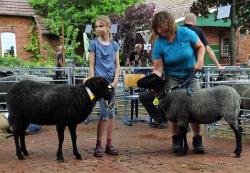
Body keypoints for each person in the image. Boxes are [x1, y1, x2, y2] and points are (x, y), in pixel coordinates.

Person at [139, 11, 206, 153]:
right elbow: (158, 68)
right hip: (172, 78)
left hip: (191, 75)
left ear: (169, 24)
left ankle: (197, 139)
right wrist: (153, 82)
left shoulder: (186, 33)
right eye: (157, 27)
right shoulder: (159, 43)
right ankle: (177, 140)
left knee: (195, 106)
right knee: (172, 109)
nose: (159, 30)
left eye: (162, 26)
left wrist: (200, 62)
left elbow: (201, 47)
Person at [89, 15, 120, 157]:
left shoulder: (115, 45)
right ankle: (98, 145)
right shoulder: (94, 44)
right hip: (99, 85)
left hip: (111, 84)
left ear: (108, 27)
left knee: (112, 114)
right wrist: (92, 82)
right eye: (96, 26)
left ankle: (110, 144)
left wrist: (115, 82)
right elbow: (91, 65)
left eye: (100, 26)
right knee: (103, 113)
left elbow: (118, 65)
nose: (97, 29)